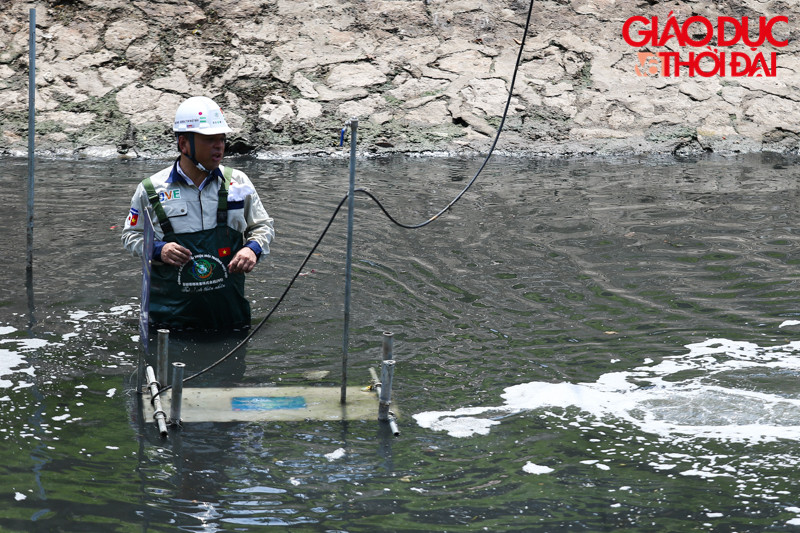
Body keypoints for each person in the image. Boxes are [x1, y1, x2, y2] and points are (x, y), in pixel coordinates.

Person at [122, 96, 274, 331]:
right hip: (168, 325)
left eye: (222, 139)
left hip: (230, 321)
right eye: (210, 140)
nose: (219, 146)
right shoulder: (151, 190)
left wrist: (251, 249)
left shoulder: (238, 182)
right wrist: (159, 249)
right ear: (184, 144)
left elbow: (263, 227)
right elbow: (131, 236)